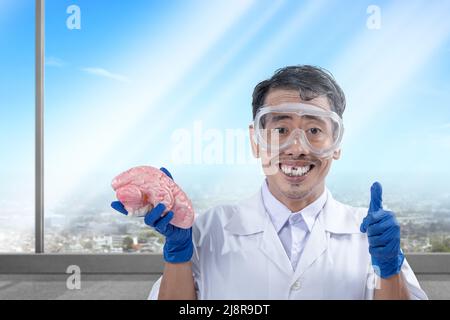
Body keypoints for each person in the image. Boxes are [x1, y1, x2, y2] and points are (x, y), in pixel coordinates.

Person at [112, 65, 428, 300]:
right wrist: (178, 259)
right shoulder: (207, 231)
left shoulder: (370, 235)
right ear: (255, 141)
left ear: (337, 143)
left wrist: (389, 271)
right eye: (280, 130)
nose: (297, 147)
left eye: (315, 131)